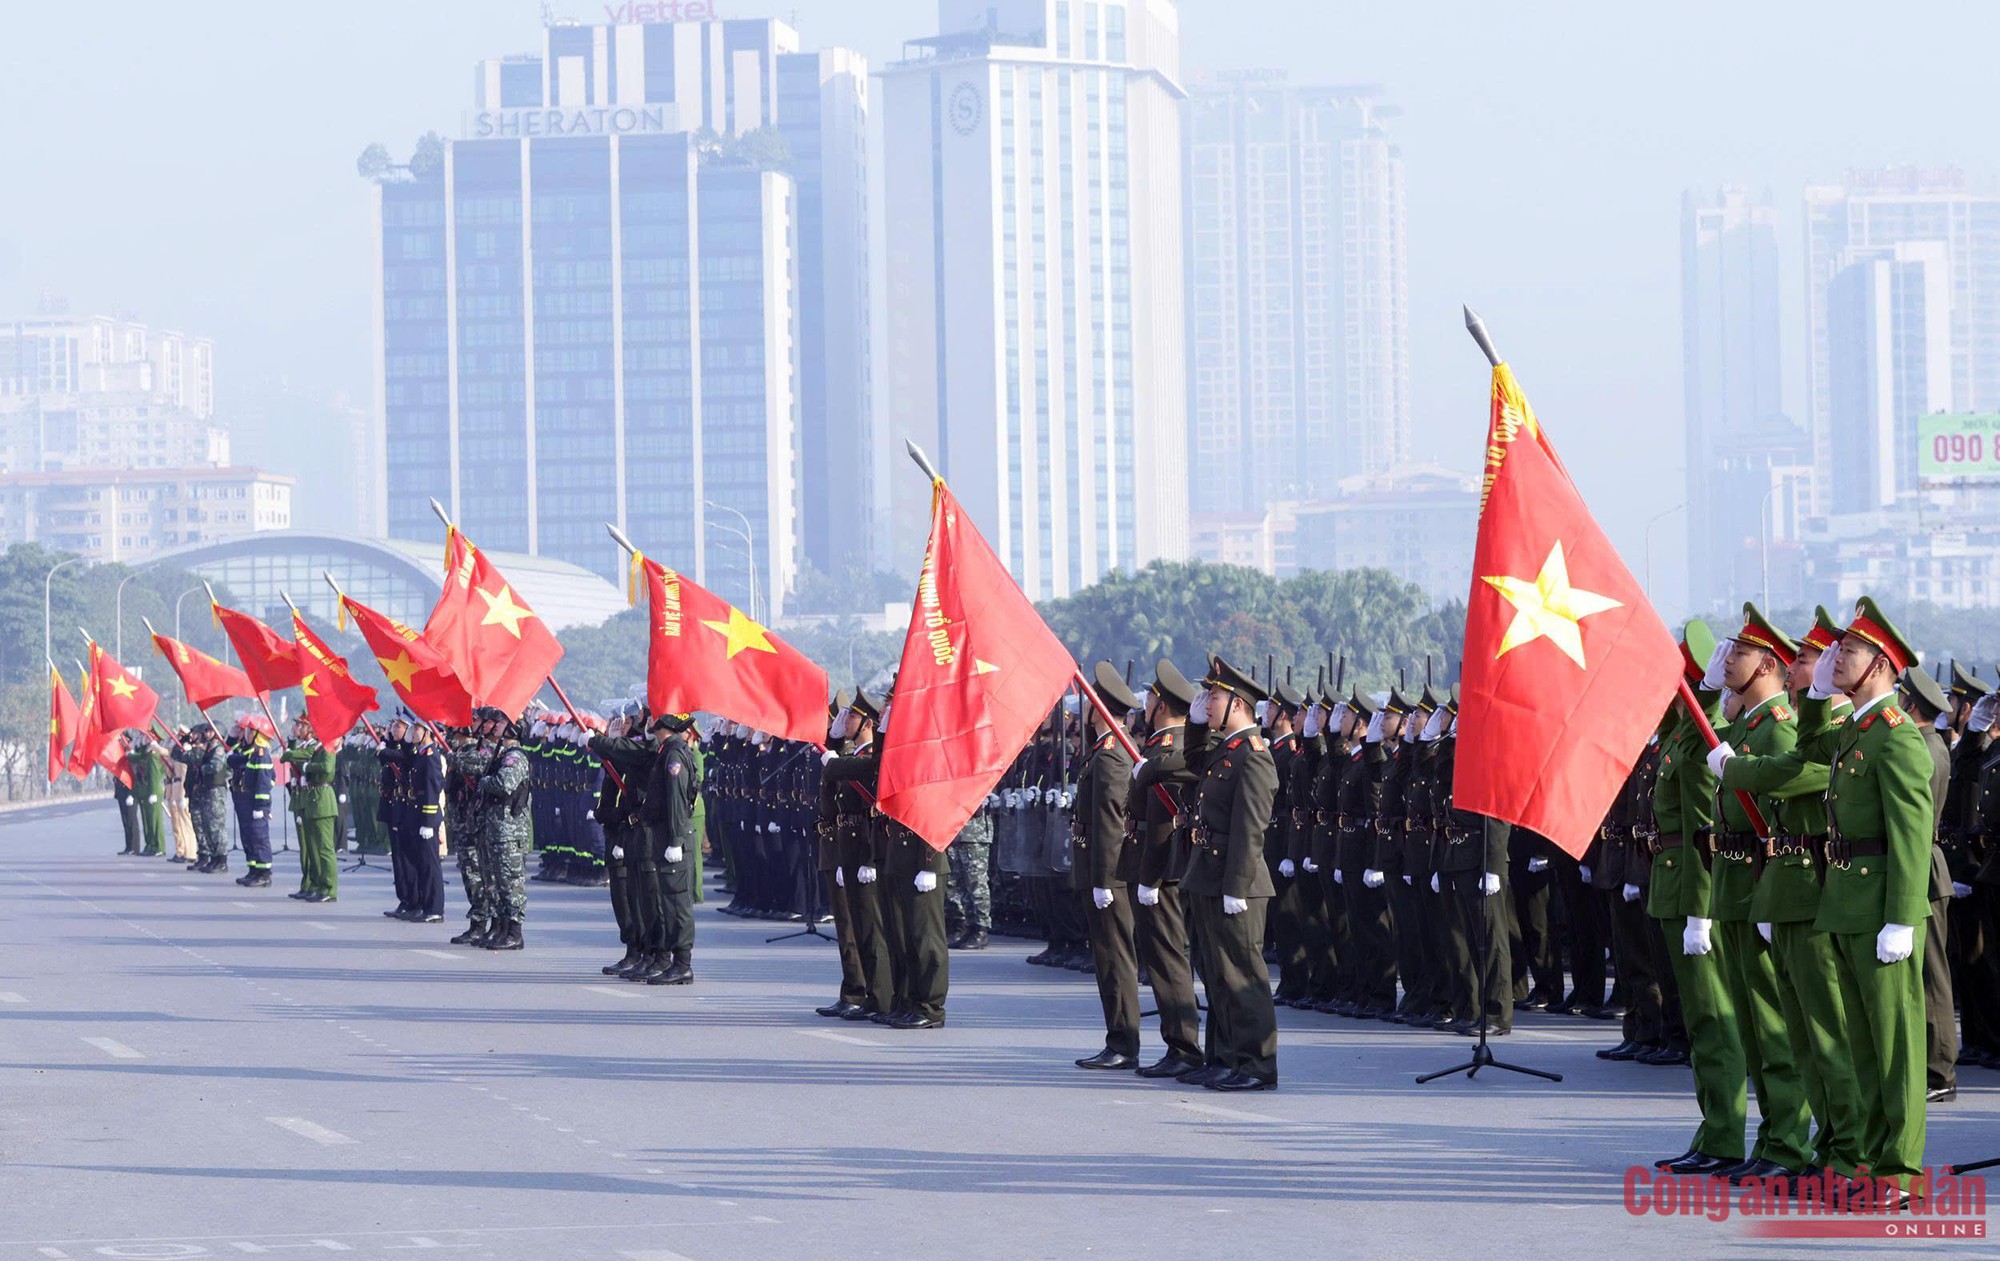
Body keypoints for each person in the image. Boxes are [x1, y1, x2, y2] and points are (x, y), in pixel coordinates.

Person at [1648, 619, 1747, 1177]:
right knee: (1698, 1020)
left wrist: (1700, 912)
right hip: (1672, 887)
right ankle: (1713, 1130)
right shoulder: (1681, 734)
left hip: (1693, 893)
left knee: (1714, 1020)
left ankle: (1726, 1134)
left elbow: (1704, 835)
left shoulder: (1705, 738)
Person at [1178, 655, 1280, 1091]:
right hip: (1208, 875)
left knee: (1243, 977)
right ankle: (1224, 1058)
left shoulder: (1253, 756)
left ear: (1238, 704)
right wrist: (1195, 723)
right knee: (1217, 974)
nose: (1208, 702)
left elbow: (1250, 827)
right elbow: (1194, 759)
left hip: (1236, 882)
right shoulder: (1228, 749)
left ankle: (1257, 1065)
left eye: (1214, 697)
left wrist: (1236, 886)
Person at [1124, 659, 1205, 1078]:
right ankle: (1179, 1043)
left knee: (1169, 959)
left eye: (1150, 698)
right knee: (1163, 957)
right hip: (1157, 864)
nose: (1145, 704)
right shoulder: (1162, 746)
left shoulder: (1171, 749)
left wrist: (1150, 876)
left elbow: (1162, 819)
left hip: (1163, 867)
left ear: (1162, 705)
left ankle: (1183, 1047)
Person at [1073, 660, 1141, 1070]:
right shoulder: (1102, 750)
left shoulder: (1112, 756)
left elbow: (1112, 823)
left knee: (1115, 959)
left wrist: (1104, 878)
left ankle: (1124, 1042)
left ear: (1099, 708)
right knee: (1106, 957)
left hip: (1109, 875)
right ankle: (1118, 1037)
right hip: (1099, 870)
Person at [1896, 666, 1959, 1104]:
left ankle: (1940, 1072)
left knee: (1932, 974)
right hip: (1923, 865)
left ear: (1911, 704)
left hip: (1925, 867)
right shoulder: (1928, 742)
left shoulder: (1925, 747)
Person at [640, 711, 700, 983]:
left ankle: (683, 964)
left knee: (677, 903)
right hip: (665, 835)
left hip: (673, 837)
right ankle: (675, 961)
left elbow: (676, 802)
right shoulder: (667, 750)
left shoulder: (674, 755)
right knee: (668, 902)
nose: (648, 721)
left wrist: (675, 841)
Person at [477, 712, 534, 951]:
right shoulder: (502, 755)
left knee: (511, 882)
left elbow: (504, 784)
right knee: (499, 882)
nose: (496, 726)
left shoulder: (514, 757)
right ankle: (502, 928)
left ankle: (515, 932)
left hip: (510, 831)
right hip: (498, 829)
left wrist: (484, 782)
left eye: (501, 723)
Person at [282, 716, 339, 903]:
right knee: (313, 848)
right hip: (312, 799)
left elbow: (327, 767)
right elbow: (290, 756)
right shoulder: (317, 747)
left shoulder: (326, 746)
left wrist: (307, 766)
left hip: (322, 799)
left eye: (302, 725)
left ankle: (328, 888)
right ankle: (316, 885)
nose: (297, 727)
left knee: (324, 849)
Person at [228, 717, 276, 887]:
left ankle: (264, 873)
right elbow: (234, 759)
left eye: (250, 732)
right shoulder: (254, 753)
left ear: (258, 735)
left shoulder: (262, 755)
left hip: (255, 802)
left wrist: (260, 806)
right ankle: (254, 870)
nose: (247, 734)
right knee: (249, 836)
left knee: (259, 837)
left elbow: (264, 782)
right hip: (247, 800)